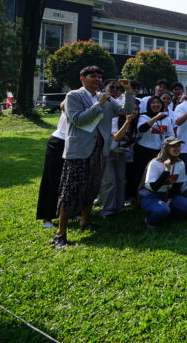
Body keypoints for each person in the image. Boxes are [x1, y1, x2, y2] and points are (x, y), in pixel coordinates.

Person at [52, 66, 135, 249]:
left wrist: (129, 90)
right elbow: (78, 120)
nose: (97, 79)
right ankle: (60, 233)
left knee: (92, 186)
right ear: (82, 78)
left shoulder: (103, 97)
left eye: (99, 76)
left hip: (100, 150)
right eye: (93, 76)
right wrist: (99, 104)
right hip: (79, 150)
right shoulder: (74, 96)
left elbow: (126, 109)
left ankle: (85, 222)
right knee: (71, 190)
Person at [138, 136, 187, 227]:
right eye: (174, 146)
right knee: (163, 211)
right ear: (166, 148)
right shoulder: (154, 163)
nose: (177, 149)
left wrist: (169, 200)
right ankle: (149, 221)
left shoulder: (180, 163)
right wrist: (167, 170)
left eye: (179, 146)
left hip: (167, 194)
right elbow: (154, 187)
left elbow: (177, 186)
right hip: (151, 196)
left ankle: (166, 214)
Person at [129, 95, 175, 204]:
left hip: (159, 152)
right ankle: (137, 199)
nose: (156, 105)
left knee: (155, 176)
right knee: (140, 176)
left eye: (158, 103)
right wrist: (155, 118)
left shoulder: (166, 118)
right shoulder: (144, 117)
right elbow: (142, 129)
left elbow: (170, 134)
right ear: (149, 105)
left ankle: (155, 198)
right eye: (153, 103)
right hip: (143, 151)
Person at [99, 99, 138, 217]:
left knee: (121, 180)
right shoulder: (115, 120)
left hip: (121, 153)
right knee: (109, 181)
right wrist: (127, 122)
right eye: (131, 109)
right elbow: (116, 138)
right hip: (107, 153)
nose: (134, 112)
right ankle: (107, 210)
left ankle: (119, 207)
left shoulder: (135, 123)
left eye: (136, 109)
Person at [36, 104, 67, 228]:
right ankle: (47, 217)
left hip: (77, 143)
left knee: (72, 180)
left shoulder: (96, 97)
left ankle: (71, 212)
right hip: (59, 142)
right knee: (52, 179)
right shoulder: (74, 96)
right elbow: (63, 105)